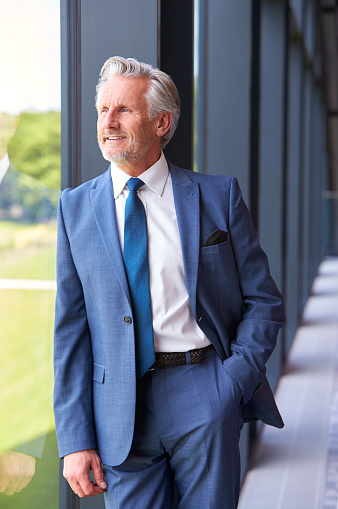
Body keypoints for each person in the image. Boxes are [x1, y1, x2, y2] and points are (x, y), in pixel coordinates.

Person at [53, 56, 286, 508]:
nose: (108, 122)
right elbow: (70, 333)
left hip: (203, 388)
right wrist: (74, 438)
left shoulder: (219, 196)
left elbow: (264, 302)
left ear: (161, 122)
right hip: (118, 407)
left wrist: (232, 381)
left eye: (123, 110)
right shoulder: (74, 209)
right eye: (103, 110)